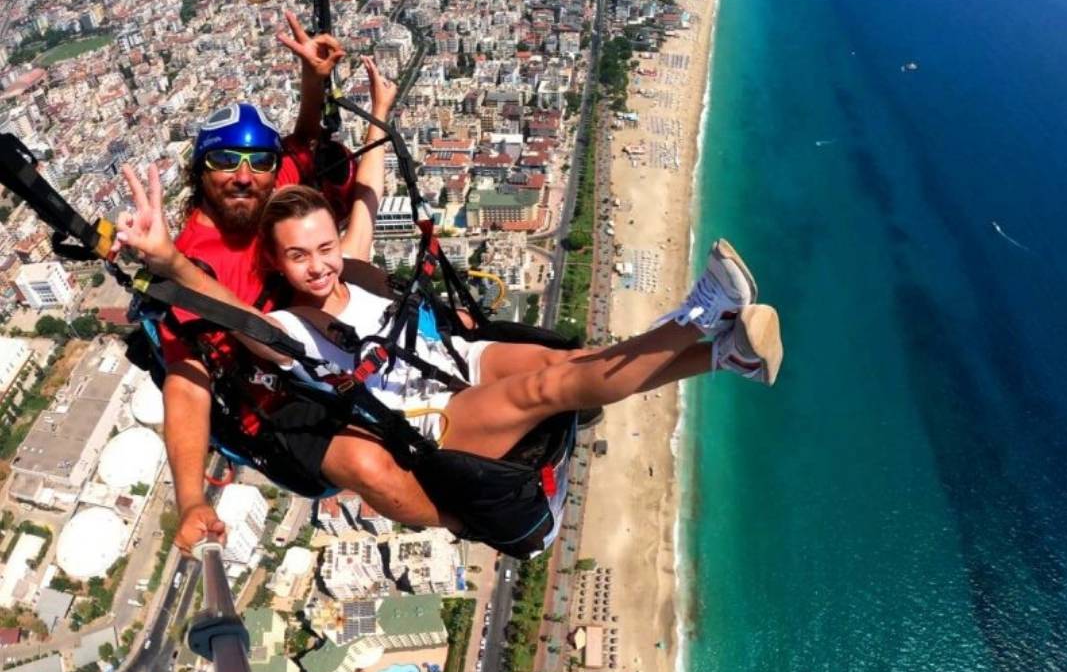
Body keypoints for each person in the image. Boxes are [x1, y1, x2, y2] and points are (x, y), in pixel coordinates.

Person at [117, 156, 784, 553]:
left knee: (573, 362)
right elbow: (224, 312)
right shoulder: (290, 332)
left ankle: (723, 355)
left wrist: (376, 112)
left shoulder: (358, 271)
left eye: (323, 248)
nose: (319, 266)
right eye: (298, 256)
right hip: (435, 423)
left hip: (458, 361)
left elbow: (367, 199)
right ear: (277, 261)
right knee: (544, 392)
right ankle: (699, 313)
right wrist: (169, 257)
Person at [148, 12, 397, 552]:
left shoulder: (268, 184)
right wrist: (190, 498)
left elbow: (304, 141)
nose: (243, 174)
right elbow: (186, 379)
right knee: (372, 464)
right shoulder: (192, 260)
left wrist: (315, 82)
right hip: (287, 383)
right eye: (224, 161)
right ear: (199, 171)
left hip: (335, 324)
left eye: (257, 160)